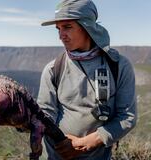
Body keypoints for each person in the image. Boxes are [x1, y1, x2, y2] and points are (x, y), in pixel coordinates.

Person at [37, 0, 137, 159]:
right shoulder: (54, 68)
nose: (60, 36)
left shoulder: (118, 66)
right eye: (58, 28)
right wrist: (23, 118)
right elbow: (44, 115)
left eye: (67, 27)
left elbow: (127, 117)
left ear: (87, 27)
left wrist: (89, 141)